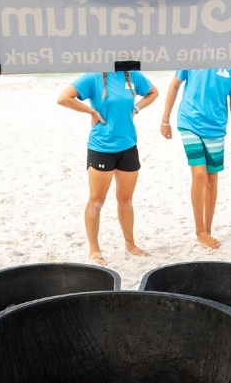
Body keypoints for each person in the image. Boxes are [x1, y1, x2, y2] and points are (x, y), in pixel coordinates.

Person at [58, 70, 158, 263]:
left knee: (126, 200)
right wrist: (91, 111)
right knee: (96, 201)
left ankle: (130, 244)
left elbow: (153, 92)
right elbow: (63, 98)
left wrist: (136, 108)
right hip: (101, 147)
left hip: (128, 145)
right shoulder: (92, 77)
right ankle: (94, 250)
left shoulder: (132, 75)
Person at [159, 68, 231, 249]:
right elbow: (174, 85)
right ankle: (200, 231)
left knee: (212, 178)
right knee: (199, 174)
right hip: (189, 121)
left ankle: (207, 228)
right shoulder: (194, 53)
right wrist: (165, 120)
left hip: (217, 128)